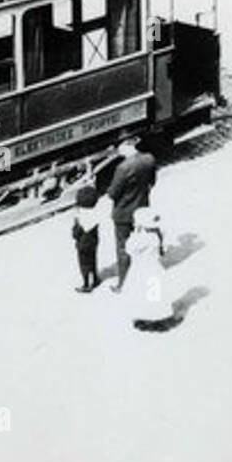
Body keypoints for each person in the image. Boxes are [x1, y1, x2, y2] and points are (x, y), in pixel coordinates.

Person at [107, 136, 157, 292]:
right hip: (142, 209)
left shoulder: (123, 168)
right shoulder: (149, 159)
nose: (118, 149)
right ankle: (141, 278)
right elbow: (152, 182)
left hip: (123, 213)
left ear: (127, 145)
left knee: (123, 248)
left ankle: (123, 284)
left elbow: (113, 194)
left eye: (119, 146)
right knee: (144, 243)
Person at [123, 208, 172, 330]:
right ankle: (156, 318)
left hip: (141, 269)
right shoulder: (158, 235)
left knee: (142, 294)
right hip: (154, 268)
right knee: (154, 296)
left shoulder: (141, 238)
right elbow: (163, 250)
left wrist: (134, 233)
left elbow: (129, 249)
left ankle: (147, 319)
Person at [71, 183, 101, 292]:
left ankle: (86, 284)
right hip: (93, 242)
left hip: (83, 244)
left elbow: (76, 233)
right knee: (92, 260)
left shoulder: (80, 216)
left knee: (84, 264)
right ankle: (96, 279)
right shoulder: (95, 212)